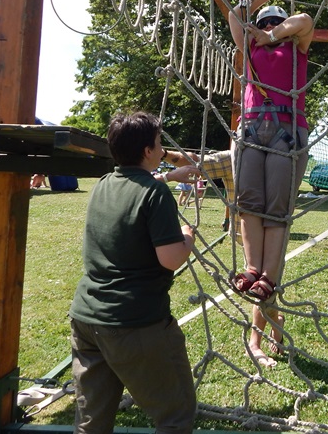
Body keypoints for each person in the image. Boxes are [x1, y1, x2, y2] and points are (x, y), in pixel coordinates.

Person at [68, 111, 201, 434]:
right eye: (159, 143)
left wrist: (169, 176)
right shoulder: (156, 195)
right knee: (175, 416)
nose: (162, 149)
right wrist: (187, 237)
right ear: (147, 150)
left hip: (86, 319)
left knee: (92, 422)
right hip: (134, 322)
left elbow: (136, 188)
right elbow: (170, 259)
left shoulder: (103, 184)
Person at [227, 0, 314, 366]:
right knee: (249, 205)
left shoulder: (296, 49)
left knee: (277, 210)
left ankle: (269, 277)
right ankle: (253, 270)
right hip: (251, 129)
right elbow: (235, 17)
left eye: (274, 22)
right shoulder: (249, 46)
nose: (267, 27)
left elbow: (305, 20)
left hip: (286, 130)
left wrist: (273, 34)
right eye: (263, 23)